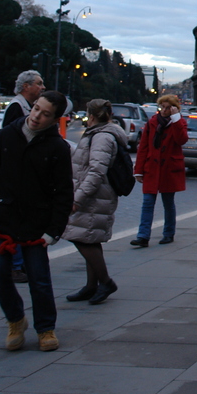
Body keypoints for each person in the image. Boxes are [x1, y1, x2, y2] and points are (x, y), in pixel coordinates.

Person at [0, 90, 73, 352]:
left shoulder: (58, 149)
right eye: (36, 109)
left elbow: (63, 194)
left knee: (39, 279)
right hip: (2, 220)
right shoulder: (5, 136)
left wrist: (53, 231)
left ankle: (45, 328)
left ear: (55, 120)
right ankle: (15, 320)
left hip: (36, 225)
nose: (36, 116)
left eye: (45, 114)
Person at [61, 99, 128, 304]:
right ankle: (91, 286)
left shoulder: (102, 137)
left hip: (93, 195)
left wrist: (78, 198)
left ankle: (105, 282)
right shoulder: (101, 134)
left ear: (91, 115)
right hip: (95, 194)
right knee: (88, 237)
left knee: (79, 236)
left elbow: (96, 171)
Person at [1, 69, 46, 283]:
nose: (42, 87)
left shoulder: (25, 107)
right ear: (26, 86)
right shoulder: (16, 108)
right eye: (39, 83)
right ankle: (15, 265)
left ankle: (20, 263)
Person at [131, 94, 188, 246]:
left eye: (168, 107)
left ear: (174, 108)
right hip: (152, 168)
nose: (164, 110)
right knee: (148, 202)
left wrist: (175, 119)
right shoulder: (152, 122)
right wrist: (138, 170)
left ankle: (169, 233)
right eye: (161, 107)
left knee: (168, 203)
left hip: (169, 169)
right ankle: (143, 236)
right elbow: (143, 146)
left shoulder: (179, 122)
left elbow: (181, 139)